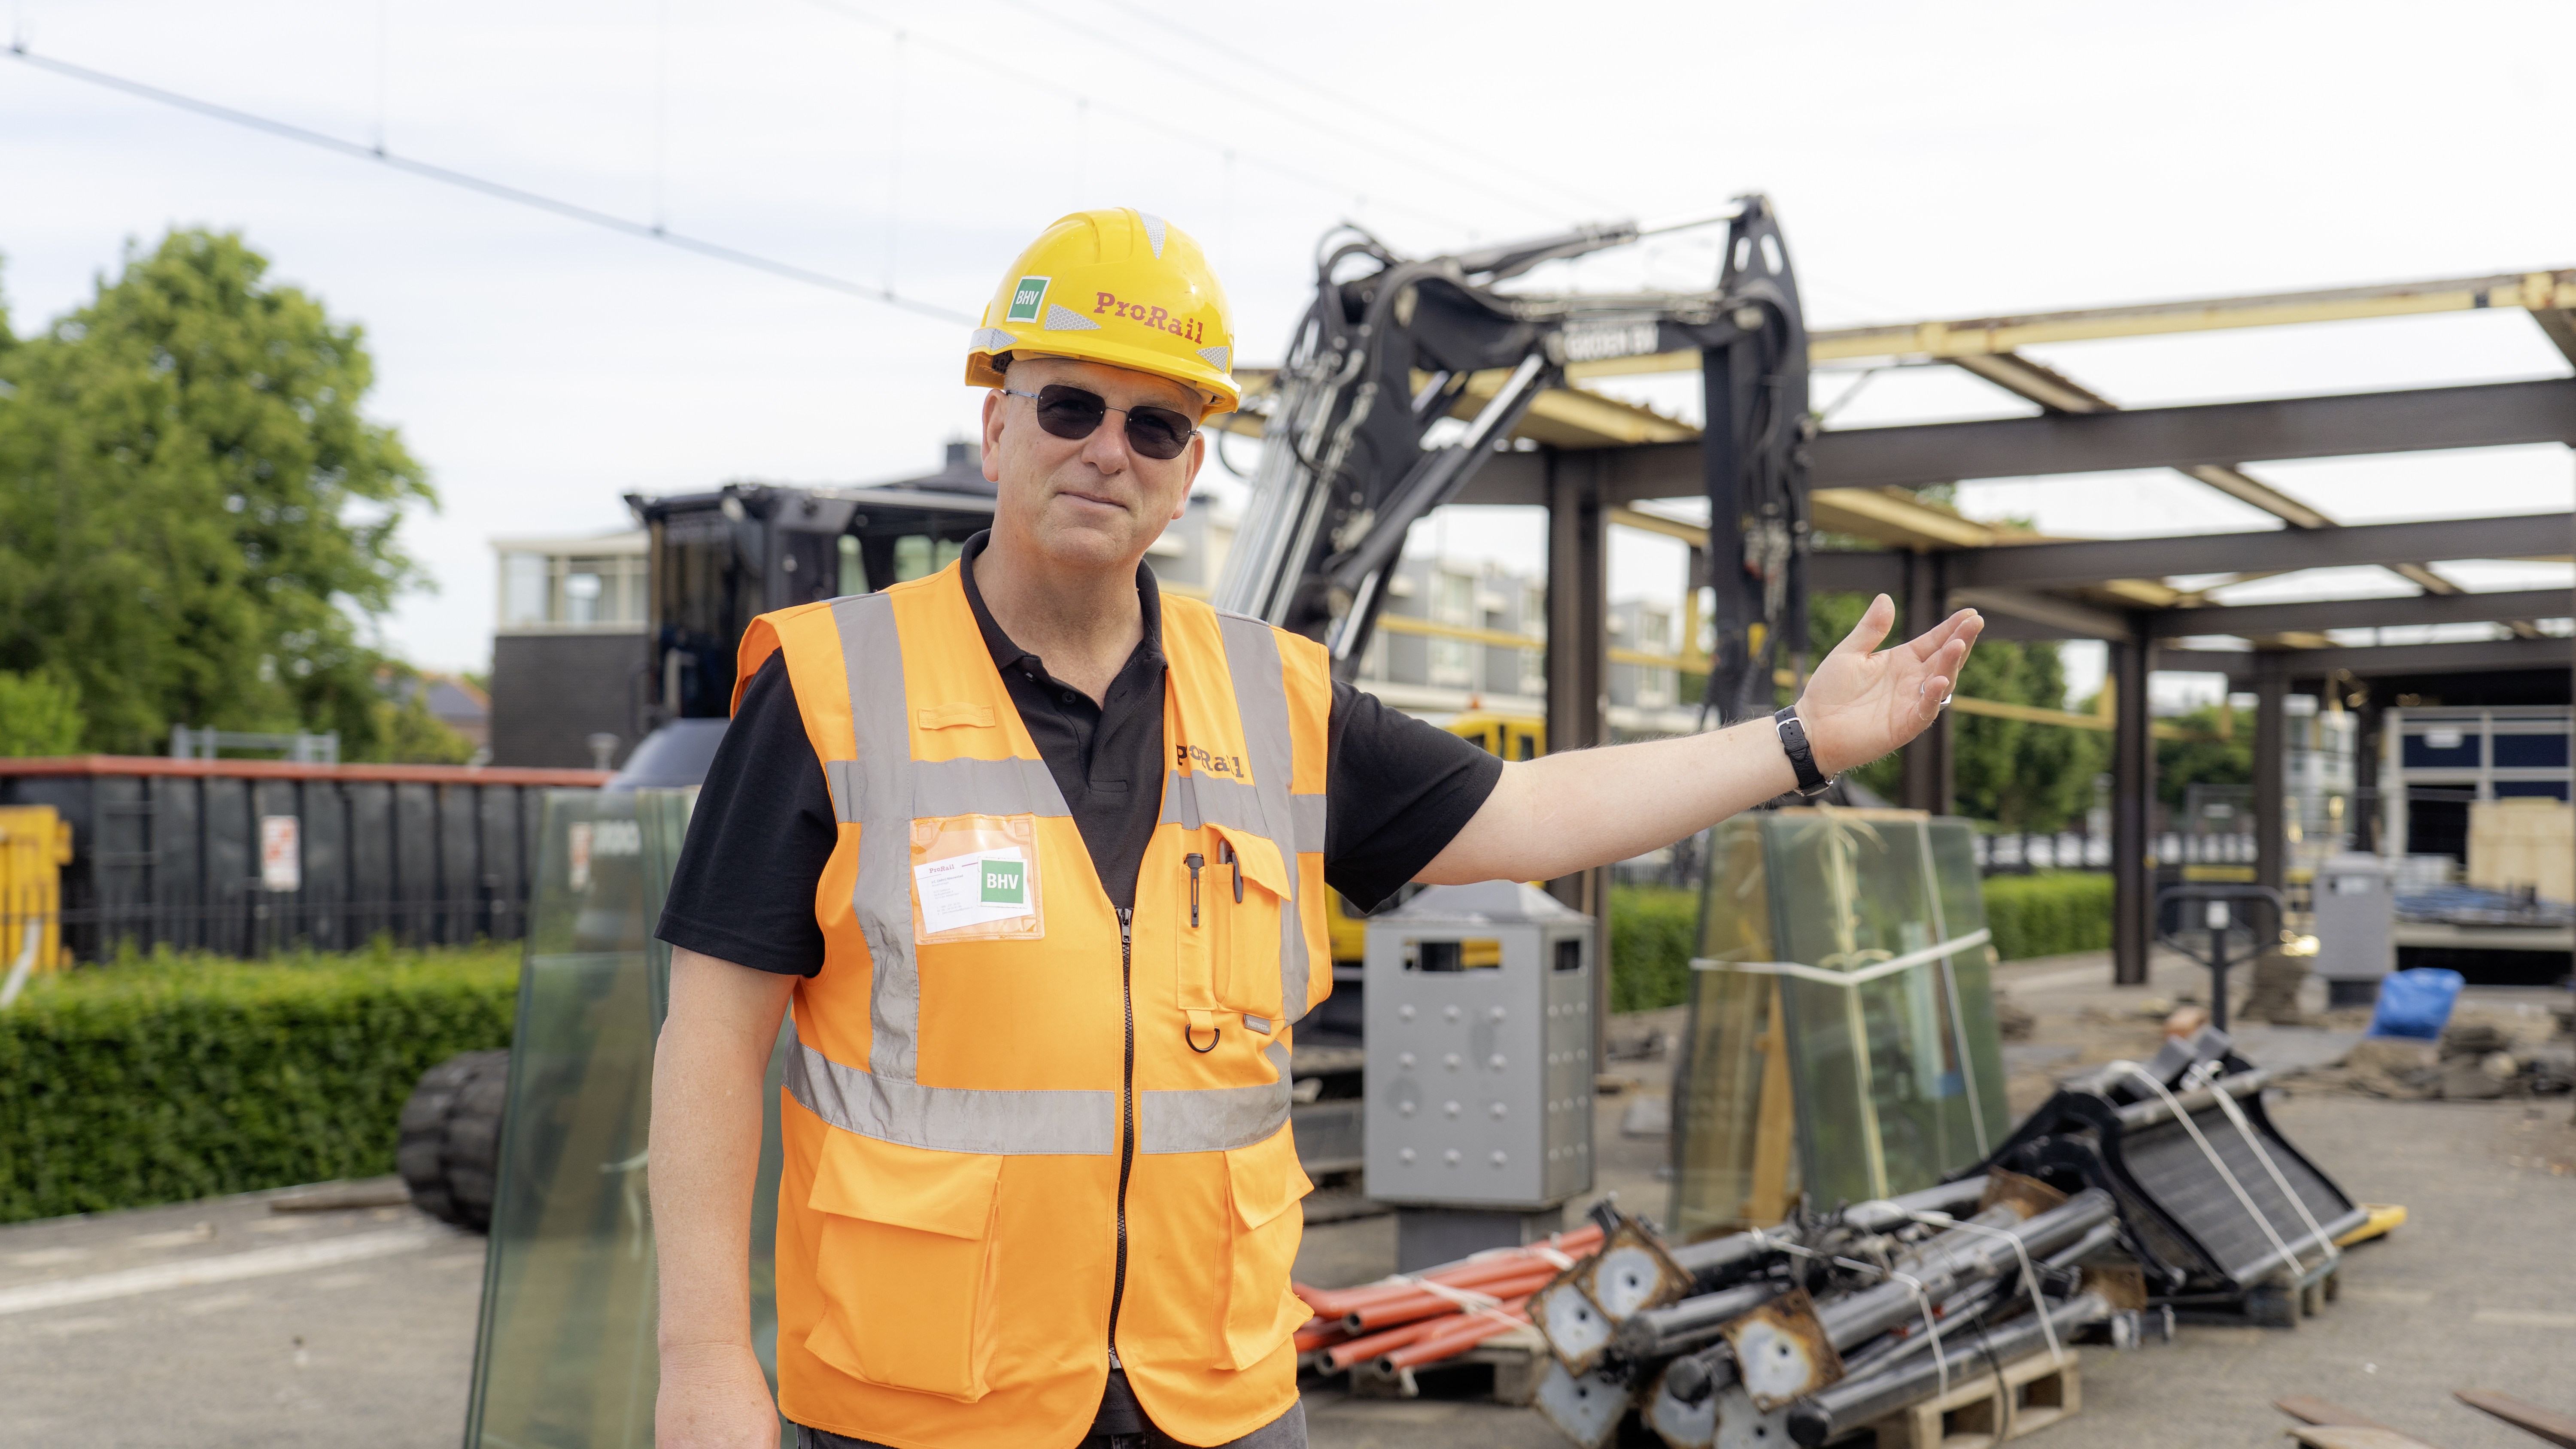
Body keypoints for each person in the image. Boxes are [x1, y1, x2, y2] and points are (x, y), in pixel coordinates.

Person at [648, 208, 1980, 1449]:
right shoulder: (829, 687)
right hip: (923, 1404)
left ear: (1189, 478)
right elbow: (713, 1035)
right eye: (1069, 405)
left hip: (1215, 1391)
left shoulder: (1275, 694)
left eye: (1158, 427)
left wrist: (1801, 743)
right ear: (998, 427)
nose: (1109, 448)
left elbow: (1525, 813)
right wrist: (704, 1359)